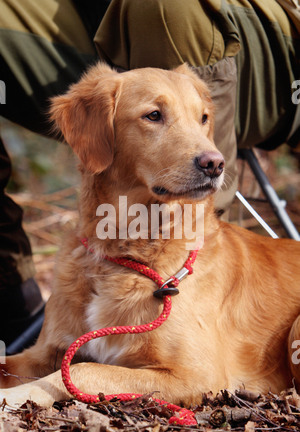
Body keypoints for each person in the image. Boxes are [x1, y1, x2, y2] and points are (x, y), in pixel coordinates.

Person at [0, 0, 299, 349]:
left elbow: (191, 383)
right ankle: (10, 296)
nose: (210, 155)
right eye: (155, 116)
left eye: (202, 120)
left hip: (263, 36)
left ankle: (195, 272)